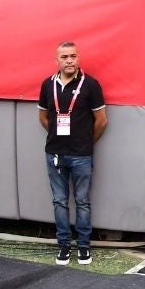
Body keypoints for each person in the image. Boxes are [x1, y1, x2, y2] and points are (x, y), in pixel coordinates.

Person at [37, 42, 108, 265]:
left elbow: (101, 121)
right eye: (65, 57)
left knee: (83, 201)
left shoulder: (91, 85)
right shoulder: (47, 85)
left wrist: (86, 143)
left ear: (78, 58)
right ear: (56, 60)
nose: (69, 60)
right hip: (55, 153)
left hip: (81, 155)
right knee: (59, 201)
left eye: (73, 56)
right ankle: (64, 246)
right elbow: (43, 118)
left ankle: (84, 246)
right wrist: (59, 137)